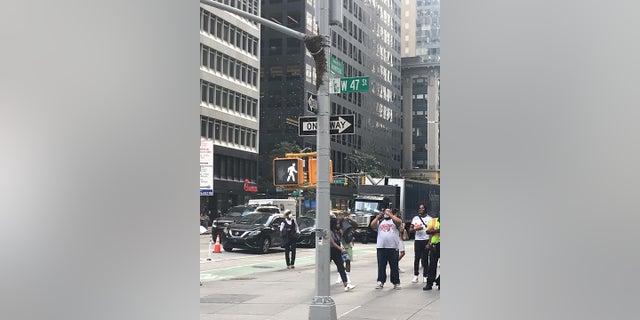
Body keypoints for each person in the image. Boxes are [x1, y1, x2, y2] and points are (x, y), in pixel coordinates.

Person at [370, 208, 403, 290]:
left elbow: (399, 222)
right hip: (381, 247)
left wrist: (390, 215)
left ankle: (396, 282)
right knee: (381, 265)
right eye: (385, 212)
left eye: (388, 211)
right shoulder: (381, 221)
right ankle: (380, 281)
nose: (386, 213)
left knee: (394, 265)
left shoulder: (394, 221)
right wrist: (378, 217)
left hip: (392, 247)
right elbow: (372, 225)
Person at [330, 217, 356, 291]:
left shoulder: (336, 231)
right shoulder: (329, 232)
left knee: (341, 266)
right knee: (325, 267)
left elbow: (342, 238)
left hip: (337, 251)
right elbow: (332, 242)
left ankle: (346, 284)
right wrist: (341, 249)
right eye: (337, 223)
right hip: (330, 250)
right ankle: (322, 282)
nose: (338, 225)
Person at [409, 204, 432, 284]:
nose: (420, 210)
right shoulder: (415, 218)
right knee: (417, 258)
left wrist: (429, 243)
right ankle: (416, 275)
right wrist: (416, 228)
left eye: (422, 208)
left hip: (425, 239)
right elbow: (410, 230)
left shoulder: (429, 219)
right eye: (419, 208)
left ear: (425, 209)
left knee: (425, 259)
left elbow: (431, 232)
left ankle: (425, 276)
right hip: (418, 240)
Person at [335, 211, 357, 284]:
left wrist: (350, 219)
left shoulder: (348, 222)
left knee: (348, 260)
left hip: (347, 243)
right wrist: (338, 221)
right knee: (340, 261)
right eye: (340, 215)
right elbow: (336, 228)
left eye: (342, 215)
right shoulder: (336, 223)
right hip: (339, 243)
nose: (341, 216)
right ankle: (340, 276)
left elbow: (355, 226)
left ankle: (347, 276)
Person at [423, 212, 440, 291]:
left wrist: (434, 231)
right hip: (434, 245)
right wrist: (437, 231)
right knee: (432, 265)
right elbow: (427, 231)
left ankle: (440, 281)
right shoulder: (433, 221)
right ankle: (429, 283)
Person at [392, 208, 406, 273]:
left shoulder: (391, 219)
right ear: (397, 213)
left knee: (397, 253)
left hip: (394, 238)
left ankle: (395, 265)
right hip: (399, 238)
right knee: (402, 253)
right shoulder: (397, 220)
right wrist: (403, 227)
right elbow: (401, 230)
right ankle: (394, 265)